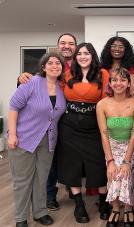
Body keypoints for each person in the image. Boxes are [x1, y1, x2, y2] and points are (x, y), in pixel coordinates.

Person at [17, 33, 77, 211]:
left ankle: (72, 189)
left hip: (69, 123)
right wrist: (21, 78)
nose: (67, 46)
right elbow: (31, 90)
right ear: (58, 46)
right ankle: (50, 197)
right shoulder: (51, 67)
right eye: (63, 43)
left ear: (75, 47)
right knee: (48, 164)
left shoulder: (79, 66)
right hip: (45, 124)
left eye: (71, 43)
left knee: (64, 159)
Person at [7, 52, 66, 227]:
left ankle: (40, 212)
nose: (55, 66)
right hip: (23, 139)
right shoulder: (30, 83)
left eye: (58, 63)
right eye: (51, 63)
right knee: (22, 181)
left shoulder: (61, 89)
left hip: (48, 141)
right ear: (43, 67)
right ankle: (21, 218)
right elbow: (13, 107)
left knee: (41, 178)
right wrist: (12, 134)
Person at [56, 42, 110, 223]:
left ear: (92, 55)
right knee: (72, 165)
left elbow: (105, 102)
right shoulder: (67, 74)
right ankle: (79, 205)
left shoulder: (103, 74)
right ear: (75, 57)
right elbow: (49, 85)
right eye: (79, 54)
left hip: (93, 125)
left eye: (86, 53)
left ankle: (104, 203)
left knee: (98, 165)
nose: (82, 56)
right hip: (69, 126)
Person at [96, 67, 134, 227]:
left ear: (129, 83)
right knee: (114, 172)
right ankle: (115, 208)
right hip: (112, 144)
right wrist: (110, 161)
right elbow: (104, 134)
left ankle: (129, 207)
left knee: (125, 170)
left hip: (132, 143)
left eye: (123, 80)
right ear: (109, 83)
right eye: (114, 80)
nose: (119, 83)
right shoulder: (102, 104)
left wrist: (127, 160)